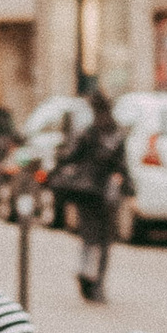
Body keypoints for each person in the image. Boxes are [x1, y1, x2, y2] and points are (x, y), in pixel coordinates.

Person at [50, 90, 131, 301]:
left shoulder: (88, 132)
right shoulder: (117, 133)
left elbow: (70, 156)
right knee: (104, 240)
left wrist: (58, 165)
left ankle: (87, 273)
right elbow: (122, 166)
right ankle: (97, 284)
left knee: (89, 237)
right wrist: (129, 189)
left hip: (87, 192)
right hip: (106, 192)